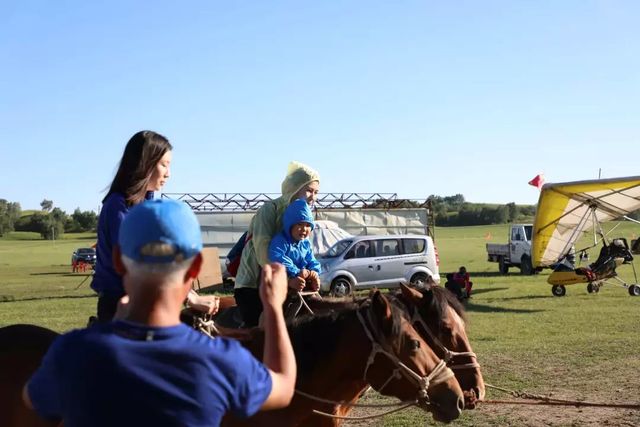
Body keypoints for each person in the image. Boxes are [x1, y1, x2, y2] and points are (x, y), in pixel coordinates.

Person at [23, 199, 296, 426]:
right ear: (195, 267)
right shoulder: (221, 361)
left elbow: (31, 397)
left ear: (118, 261)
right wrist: (272, 306)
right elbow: (283, 387)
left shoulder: (74, 352)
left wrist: (117, 325)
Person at [91, 130, 217, 322]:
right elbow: (140, 263)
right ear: (145, 164)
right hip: (121, 308)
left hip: (147, 302)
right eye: (164, 165)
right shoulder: (118, 206)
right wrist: (190, 297)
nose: (169, 173)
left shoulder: (146, 206)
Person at [234, 161, 320, 327]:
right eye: (309, 190)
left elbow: (306, 252)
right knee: (261, 333)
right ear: (294, 188)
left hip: (287, 283)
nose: (313, 197)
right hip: (252, 286)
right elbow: (264, 253)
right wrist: (288, 279)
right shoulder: (269, 210)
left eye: (316, 192)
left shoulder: (304, 217)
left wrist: (312, 273)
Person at [268, 198, 321, 293]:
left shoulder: (305, 244)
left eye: (308, 225)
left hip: (301, 282)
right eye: (300, 224)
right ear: (290, 225)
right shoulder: (281, 241)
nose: (304, 229)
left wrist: (314, 273)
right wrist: (296, 272)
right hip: (281, 286)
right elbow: (278, 258)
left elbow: (311, 259)